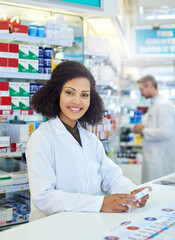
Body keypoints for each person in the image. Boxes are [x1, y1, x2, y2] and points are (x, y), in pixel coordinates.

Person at [26, 61, 151, 221]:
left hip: (87, 224)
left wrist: (131, 193)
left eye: (84, 95)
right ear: (56, 93)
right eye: (70, 92)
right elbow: (43, 197)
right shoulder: (42, 138)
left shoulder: (91, 139)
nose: (77, 101)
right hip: (52, 229)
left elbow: (112, 177)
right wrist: (100, 203)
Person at [133, 75, 175, 183]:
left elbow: (166, 132)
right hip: (153, 156)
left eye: (142, 89)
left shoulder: (163, 105)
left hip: (160, 159)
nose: (141, 94)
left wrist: (143, 130)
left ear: (150, 86)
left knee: (158, 192)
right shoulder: (154, 104)